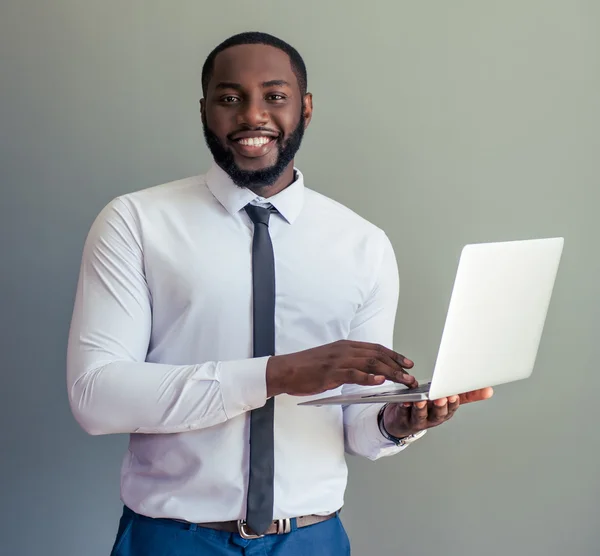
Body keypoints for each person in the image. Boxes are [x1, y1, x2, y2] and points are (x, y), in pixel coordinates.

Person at [66, 31, 493, 556]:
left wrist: (395, 421)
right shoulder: (135, 223)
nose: (252, 115)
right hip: (171, 539)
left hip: (312, 539)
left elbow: (356, 426)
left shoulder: (363, 244)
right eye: (229, 98)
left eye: (274, 96)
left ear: (305, 108)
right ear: (204, 111)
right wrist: (277, 373)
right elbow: (96, 397)